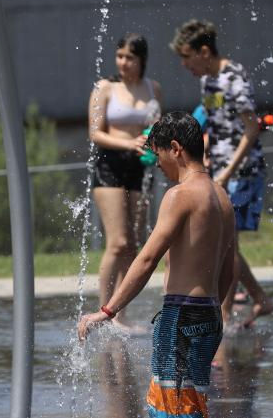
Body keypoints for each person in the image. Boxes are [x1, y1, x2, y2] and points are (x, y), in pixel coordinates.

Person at [78, 112, 235, 418]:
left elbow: (147, 259)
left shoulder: (180, 196)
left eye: (158, 154)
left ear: (175, 149)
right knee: (192, 405)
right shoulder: (222, 198)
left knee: (170, 409)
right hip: (210, 315)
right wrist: (211, 311)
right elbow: (229, 269)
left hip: (181, 316)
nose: (157, 165)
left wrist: (107, 311)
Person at [170, 19, 273, 328]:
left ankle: (224, 317)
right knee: (225, 244)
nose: (184, 64)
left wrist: (228, 171)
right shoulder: (208, 81)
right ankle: (259, 299)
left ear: (204, 52)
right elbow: (215, 125)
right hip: (219, 170)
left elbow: (251, 128)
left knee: (227, 245)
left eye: (187, 57)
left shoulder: (234, 78)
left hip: (242, 172)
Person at [87, 33, 162, 332]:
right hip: (110, 165)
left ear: (141, 59)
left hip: (140, 166)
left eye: (129, 57)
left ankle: (120, 315)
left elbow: (156, 127)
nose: (123, 62)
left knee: (133, 244)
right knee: (117, 242)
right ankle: (102, 310)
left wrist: (150, 140)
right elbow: (95, 133)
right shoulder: (105, 87)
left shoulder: (153, 88)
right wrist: (129, 143)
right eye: (119, 56)